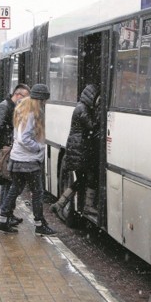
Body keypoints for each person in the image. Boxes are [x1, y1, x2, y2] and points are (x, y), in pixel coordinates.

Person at [0, 84, 56, 236]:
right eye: (44, 101)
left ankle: (2, 221)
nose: (45, 104)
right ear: (40, 100)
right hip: (27, 161)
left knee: (14, 190)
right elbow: (24, 138)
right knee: (37, 193)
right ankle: (39, 224)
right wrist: (38, 148)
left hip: (18, 159)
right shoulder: (31, 113)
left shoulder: (22, 109)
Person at [51, 84, 101, 221]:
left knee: (81, 180)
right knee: (90, 178)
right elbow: (92, 126)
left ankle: (60, 204)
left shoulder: (80, 107)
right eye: (97, 99)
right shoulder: (82, 109)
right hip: (79, 153)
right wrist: (100, 113)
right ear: (92, 97)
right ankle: (87, 206)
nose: (98, 102)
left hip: (77, 152)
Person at [0, 83, 30, 225]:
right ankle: (5, 215)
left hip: (9, 150)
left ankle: (8, 214)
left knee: (9, 182)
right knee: (8, 182)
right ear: (18, 95)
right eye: (25, 97)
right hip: (4, 151)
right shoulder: (4, 107)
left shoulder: (13, 107)